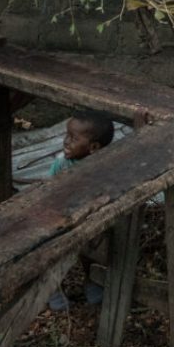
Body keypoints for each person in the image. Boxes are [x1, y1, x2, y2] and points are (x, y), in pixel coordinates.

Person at [47, 111, 114, 310]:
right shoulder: (61, 163)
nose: (66, 141)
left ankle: (92, 281)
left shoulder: (105, 167)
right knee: (52, 253)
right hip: (61, 216)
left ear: (94, 147)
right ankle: (53, 289)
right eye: (67, 135)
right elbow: (48, 192)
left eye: (74, 138)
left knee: (91, 250)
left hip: (89, 218)